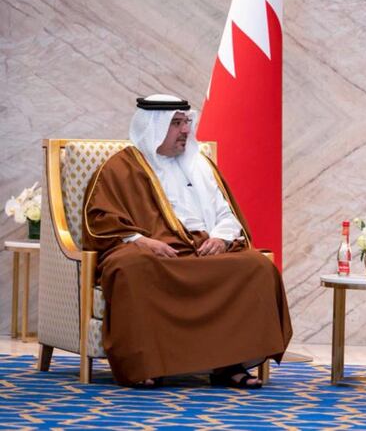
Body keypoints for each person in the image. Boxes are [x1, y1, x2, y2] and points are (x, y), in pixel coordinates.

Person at [82, 94, 292, 388]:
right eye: (176, 123)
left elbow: (226, 214)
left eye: (186, 122)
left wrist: (220, 238)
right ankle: (146, 365)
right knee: (131, 267)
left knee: (256, 266)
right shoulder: (120, 168)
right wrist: (141, 241)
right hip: (152, 252)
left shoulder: (200, 164)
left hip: (201, 249)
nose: (185, 130)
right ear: (153, 127)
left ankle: (230, 365)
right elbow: (101, 219)